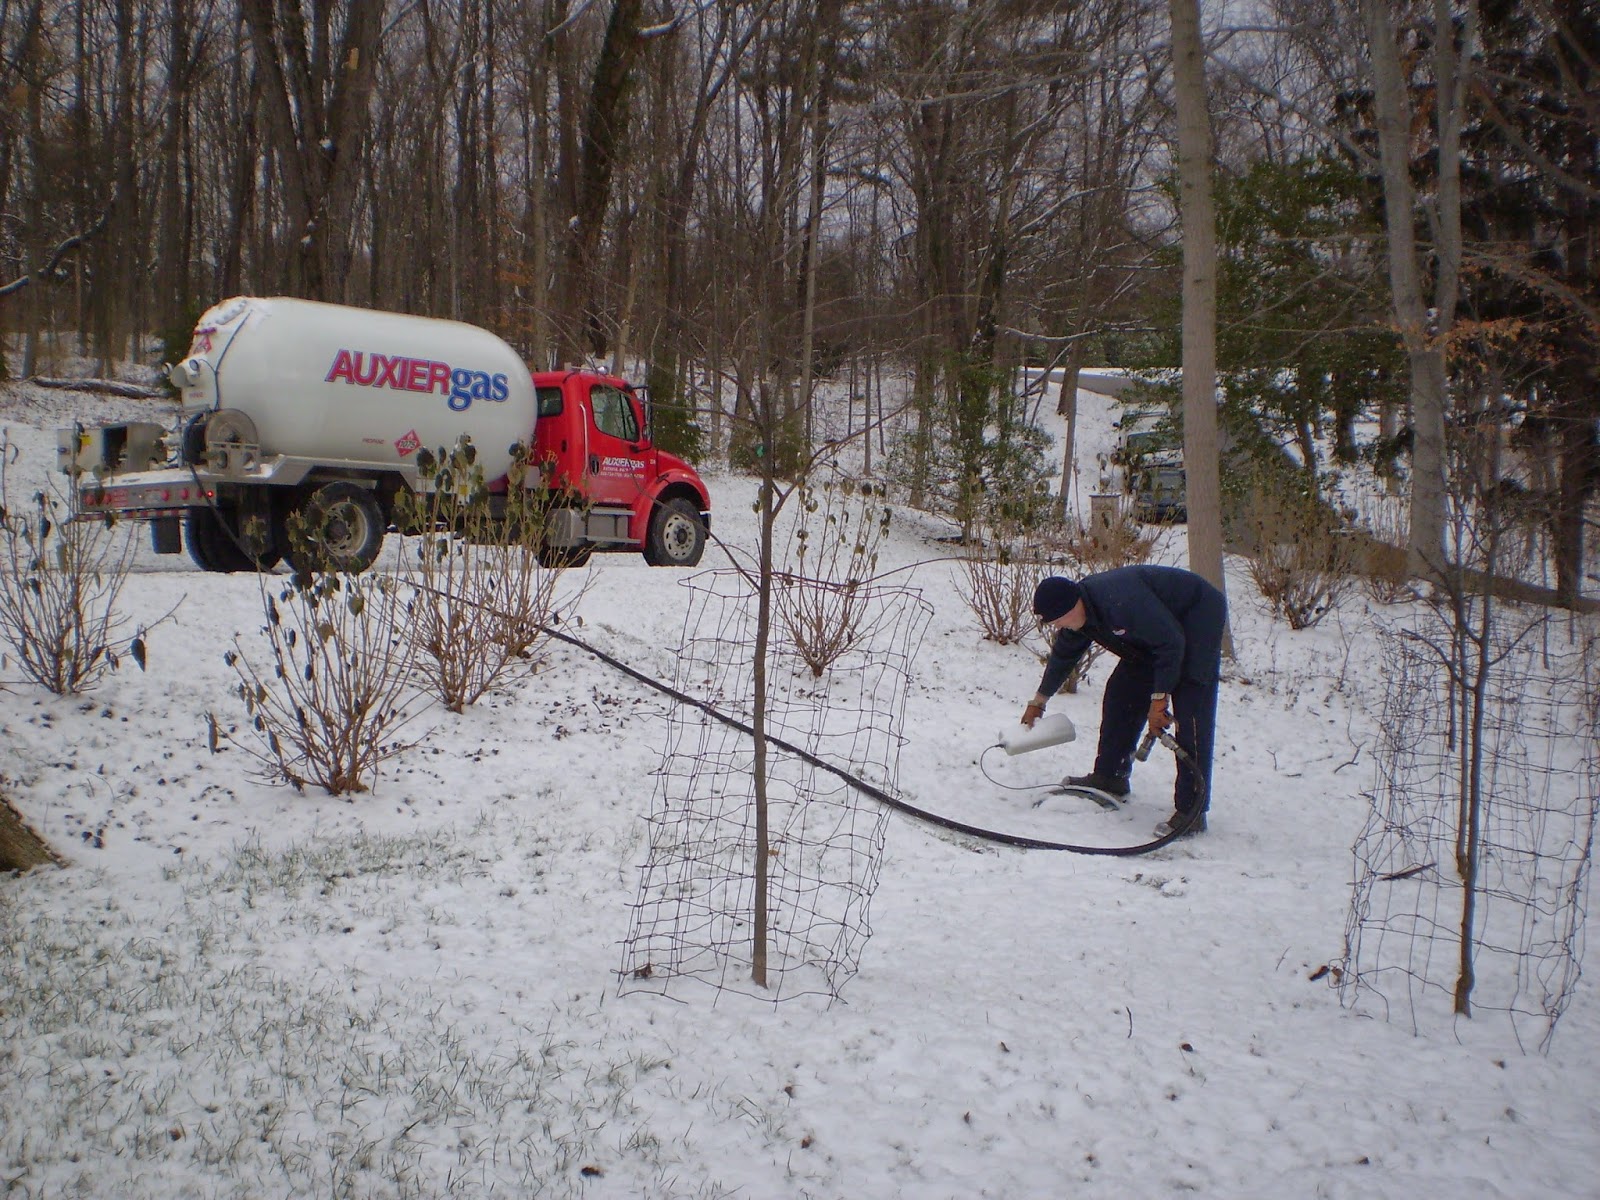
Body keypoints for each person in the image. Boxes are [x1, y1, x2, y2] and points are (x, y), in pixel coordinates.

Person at [1022, 566, 1226, 837]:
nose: (1058, 626)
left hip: (1196, 613)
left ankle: (1193, 810)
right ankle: (1110, 776)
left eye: (1058, 620)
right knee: (1122, 692)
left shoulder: (1120, 602)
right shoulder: (1080, 614)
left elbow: (1171, 643)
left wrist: (1159, 699)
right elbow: (1063, 656)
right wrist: (1039, 701)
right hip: (1156, 632)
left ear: (1072, 605)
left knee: (1191, 704)